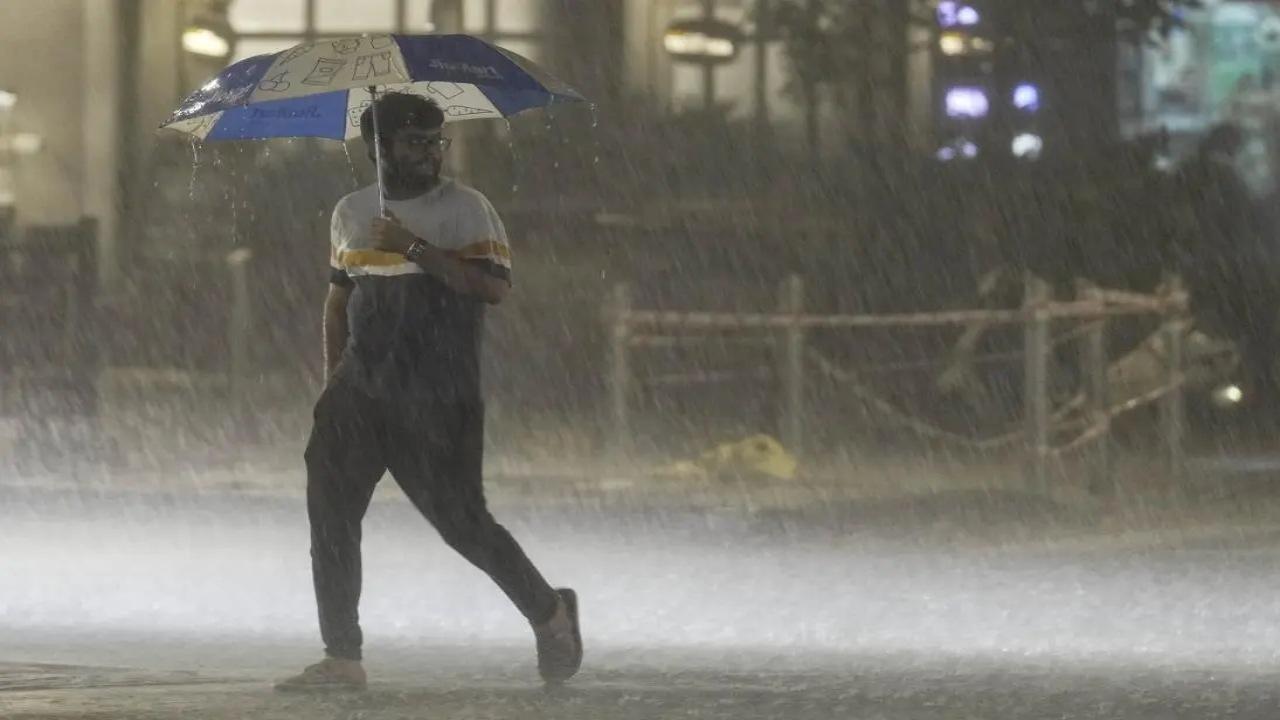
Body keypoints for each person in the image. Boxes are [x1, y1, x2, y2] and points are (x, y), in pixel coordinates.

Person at [276, 92, 582, 692]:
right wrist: (332, 380)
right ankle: (343, 656)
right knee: (331, 521)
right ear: (378, 147)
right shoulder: (349, 212)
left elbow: (491, 288)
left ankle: (550, 612)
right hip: (359, 396)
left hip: (437, 398)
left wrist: (413, 247)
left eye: (435, 142)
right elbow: (340, 299)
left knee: (463, 524)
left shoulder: (468, 211)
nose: (429, 154)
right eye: (414, 142)